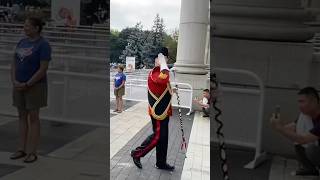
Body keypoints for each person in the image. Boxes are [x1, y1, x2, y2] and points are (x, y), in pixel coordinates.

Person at [10, 17, 52, 163]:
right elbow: (14, 63)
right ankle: (21, 149)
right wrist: (15, 80)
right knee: (21, 117)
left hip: (35, 86)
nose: (25, 28)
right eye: (24, 25)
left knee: (33, 118)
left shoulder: (43, 45)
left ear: (36, 28)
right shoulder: (22, 42)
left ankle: (32, 151)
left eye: (28, 26)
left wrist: (28, 83)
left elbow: (43, 68)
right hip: (19, 85)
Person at [130, 47, 175, 171]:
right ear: (157, 60)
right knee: (158, 136)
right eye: (162, 58)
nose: (165, 60)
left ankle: (161, 162)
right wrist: (163, 65)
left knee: (163, 138)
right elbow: (162, 79)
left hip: (163, 111)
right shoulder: (156, 72)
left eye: (166, 58)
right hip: (158, 112)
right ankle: (137, 153)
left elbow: (162, 88)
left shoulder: (161, 71)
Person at [270, 87, 320, 176]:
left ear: (314, 102)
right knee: (296, 136)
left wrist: (280, 128)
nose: (299, 105)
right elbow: (293, 127)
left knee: (311, 149)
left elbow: (303, 139)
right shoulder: (306, 115)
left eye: (302, 101)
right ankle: (310, 169)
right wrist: (277, 125)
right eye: (299, 102)